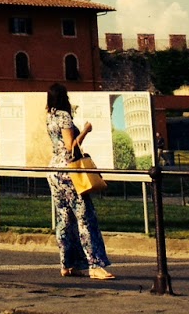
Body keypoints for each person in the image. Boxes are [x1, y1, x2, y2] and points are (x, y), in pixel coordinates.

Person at [45, 84, 114, 281]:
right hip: (70, 173)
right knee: (85, 217)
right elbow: (71, 147)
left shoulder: (50, 117)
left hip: (54, 171)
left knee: (64, 219)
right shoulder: (65, 117)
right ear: (64, 98)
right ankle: (95, 265)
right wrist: (85, 130)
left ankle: (67, 264)